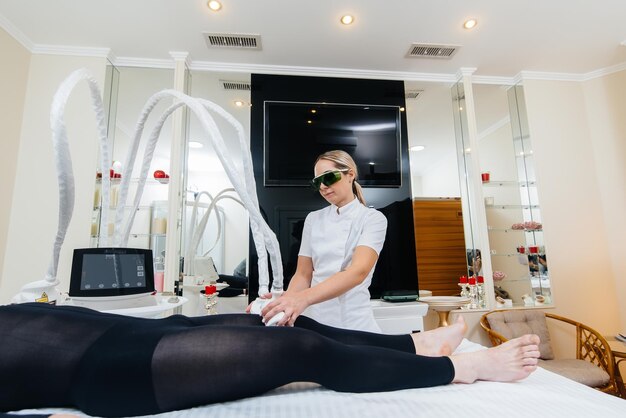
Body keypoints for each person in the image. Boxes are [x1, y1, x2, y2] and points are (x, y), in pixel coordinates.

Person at [0, 303, 541, 418]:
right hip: (97, 367)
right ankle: (462, 368)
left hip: (121, 329)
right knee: (296, 348)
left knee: (278, 323)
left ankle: (415, 345)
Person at [258, 150, 387, 331]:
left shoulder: (372, 219)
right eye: (317, 182)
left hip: (354, 322)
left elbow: (357, 272)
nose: (323, 187)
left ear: (350, 174)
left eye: (328, 178)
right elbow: (303, 274)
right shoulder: (313, 219)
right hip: (315, 320)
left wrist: (302, 299)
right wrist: (284, 302)